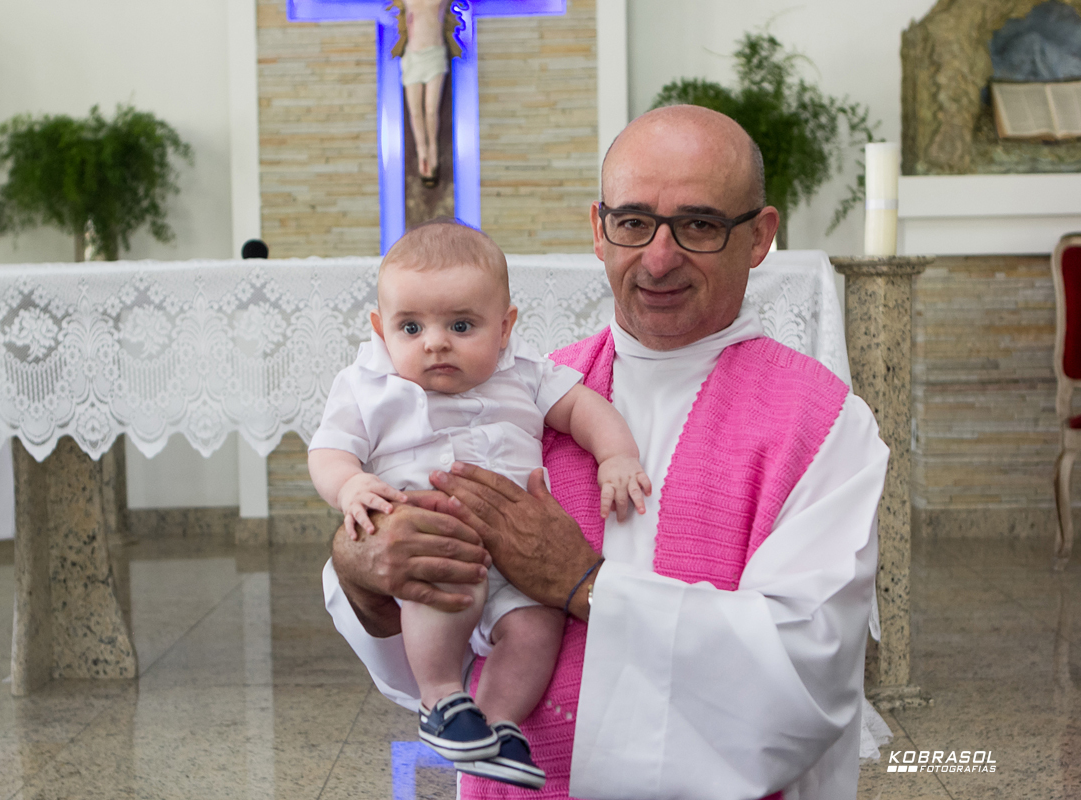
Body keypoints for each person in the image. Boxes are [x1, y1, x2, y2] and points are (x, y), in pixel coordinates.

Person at [323, 105, 889, 800]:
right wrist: (360, 573)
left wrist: (588, 584)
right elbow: (423, 649)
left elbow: (807, 664)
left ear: (760, 237)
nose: (658, 257)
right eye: (632, 222)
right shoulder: (511, 395)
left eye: (700, 225)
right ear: (599, 230)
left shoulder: (822, 422)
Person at [308, 221, 650, 790]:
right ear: (379, 329)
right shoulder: (368, 384)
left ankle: (497, 723)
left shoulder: (526, 373)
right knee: (445, 590)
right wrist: (349, 487)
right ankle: (442, 699)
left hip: (518, 558)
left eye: (461, 325)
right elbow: (328, 451)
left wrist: (616, 456)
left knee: (537, 622)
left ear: (505, 327)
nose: (435, 342)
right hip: (433, 545)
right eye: (410, 327)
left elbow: (585, 409)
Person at [391, 0, 457, 186]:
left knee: (430, 109)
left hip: (434, 54)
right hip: (413, 56)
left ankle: (433, 151)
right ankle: (422, 153)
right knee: (415, 111)